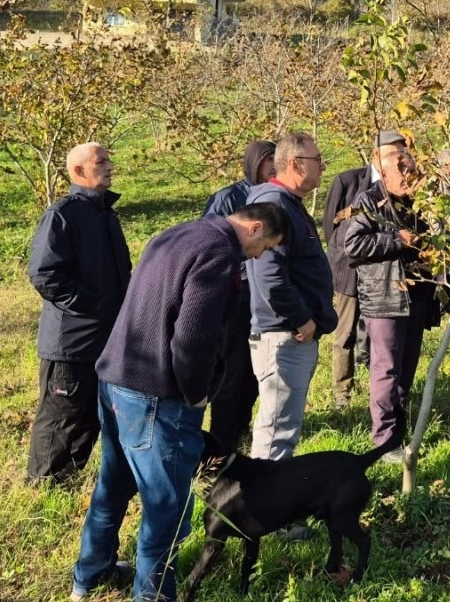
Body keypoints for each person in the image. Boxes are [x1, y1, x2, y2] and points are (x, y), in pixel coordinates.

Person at [69, 203, 288, 602]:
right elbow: (193, 335)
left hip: (116, 377)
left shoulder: (178, 232)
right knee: (166, 506)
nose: (260, 257)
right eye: (266, 247)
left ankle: (90, 575)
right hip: (157, 395)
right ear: (254, 228)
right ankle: (153, 596)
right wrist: (197, 392)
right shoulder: (220, 254)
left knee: (112, 486)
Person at [26, 142, 132, 485]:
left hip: (103, 340)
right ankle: (42, 488)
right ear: (78, 171)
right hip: (70, 342)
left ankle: (67, 483)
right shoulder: (63, 215)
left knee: (89, 417)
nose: (110, 166)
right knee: (61, 419)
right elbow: (45, 274)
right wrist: (94, 306)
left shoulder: (105, 214)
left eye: (108, 160)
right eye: (101, 162)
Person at [343, 146, 440, 463]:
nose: (409, 176)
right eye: (402, 170)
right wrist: (398, 240)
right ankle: (384, 441)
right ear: (383, 173)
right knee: (386, 370)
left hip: (418, 297)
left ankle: (397, 430)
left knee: (407, 368)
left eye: (412, 169)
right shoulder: (368, 201)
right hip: (385, 298)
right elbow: (353, 246)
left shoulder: (421, 203)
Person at [246, 132, 338, 463]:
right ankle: (259, 510)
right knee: (275, 434)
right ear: (296, 164)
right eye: (317, 160)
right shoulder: (273, 206)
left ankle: (269, 506)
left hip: (290, 335)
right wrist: (302, 318)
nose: (323, 167)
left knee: (283, 427)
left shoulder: (285, 204)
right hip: (284, 336)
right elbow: (269, 275)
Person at [322, 131, 408, 410]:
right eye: (392, 153)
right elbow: (330, 227)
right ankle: (342, 394)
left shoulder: (405, 186)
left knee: (379, 336)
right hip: (350, 271)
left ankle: (379, 389)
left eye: (401, 152)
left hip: (385, 277)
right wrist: (341, 260)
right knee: (345, 332)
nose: (398, 159)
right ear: (376, 155)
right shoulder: (347, 180)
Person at [201, 140, 276, 450]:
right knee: (231, 367)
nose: (273, 167)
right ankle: (221, 436)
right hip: (237, 295)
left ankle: (241, 425)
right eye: (268, 161)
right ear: (253, 163)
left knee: (254, 369)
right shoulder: (227, 198)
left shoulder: (275, 198)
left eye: (276, 161)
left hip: (265, 297)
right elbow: (208, 243)